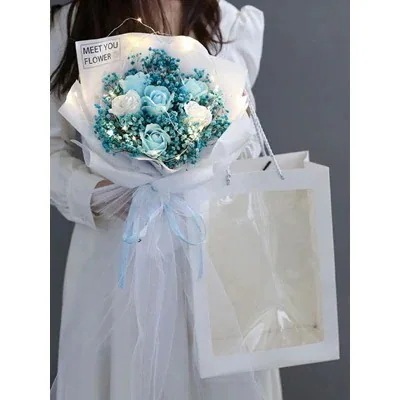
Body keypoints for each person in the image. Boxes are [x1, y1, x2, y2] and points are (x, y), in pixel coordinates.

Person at [51, 1, 282, 399]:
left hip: (213, 251)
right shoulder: (70, 23)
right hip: (116, 255)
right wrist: (97, 193)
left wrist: (214, 150)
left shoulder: (228, 24)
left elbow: (246, 149)